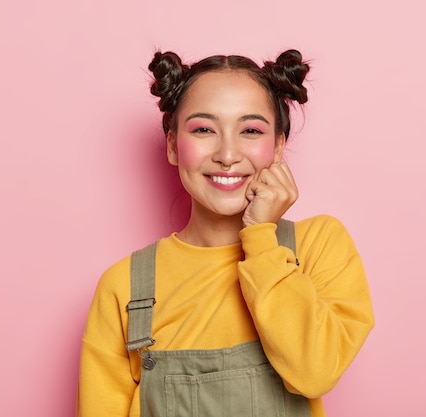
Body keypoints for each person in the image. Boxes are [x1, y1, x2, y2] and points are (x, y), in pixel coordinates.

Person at [77, 49, 374, 417]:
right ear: (172, 145)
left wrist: (261, 238)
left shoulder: (318, 245)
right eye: (203, 129)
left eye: (250, 131)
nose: (228, 154)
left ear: (278, 147)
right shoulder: (124, 286)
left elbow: (315, 373)